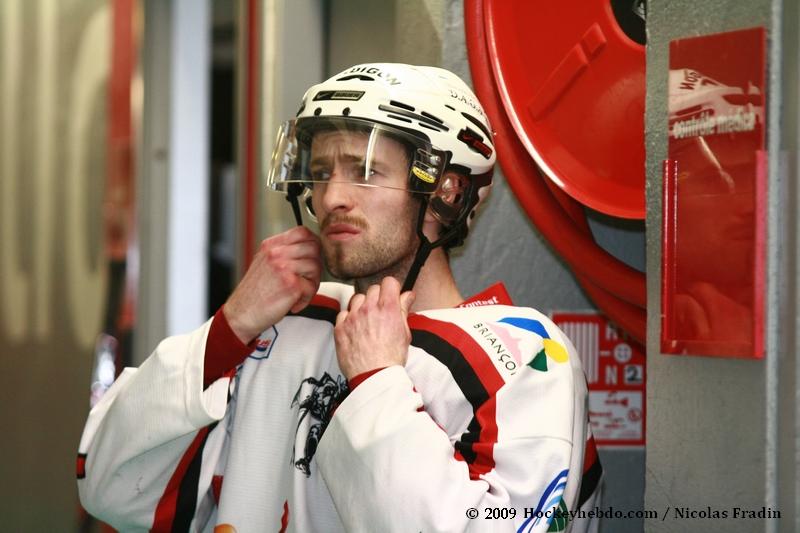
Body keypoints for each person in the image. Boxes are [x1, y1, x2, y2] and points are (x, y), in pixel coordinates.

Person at [77, 63, 601, 532]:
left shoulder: (525, 358)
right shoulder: (285, 324)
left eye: (365, 171)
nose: (331, 197)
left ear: (446, 192)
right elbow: (111, 487)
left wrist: (376, 384)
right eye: (323, 172)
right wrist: (229, 328)